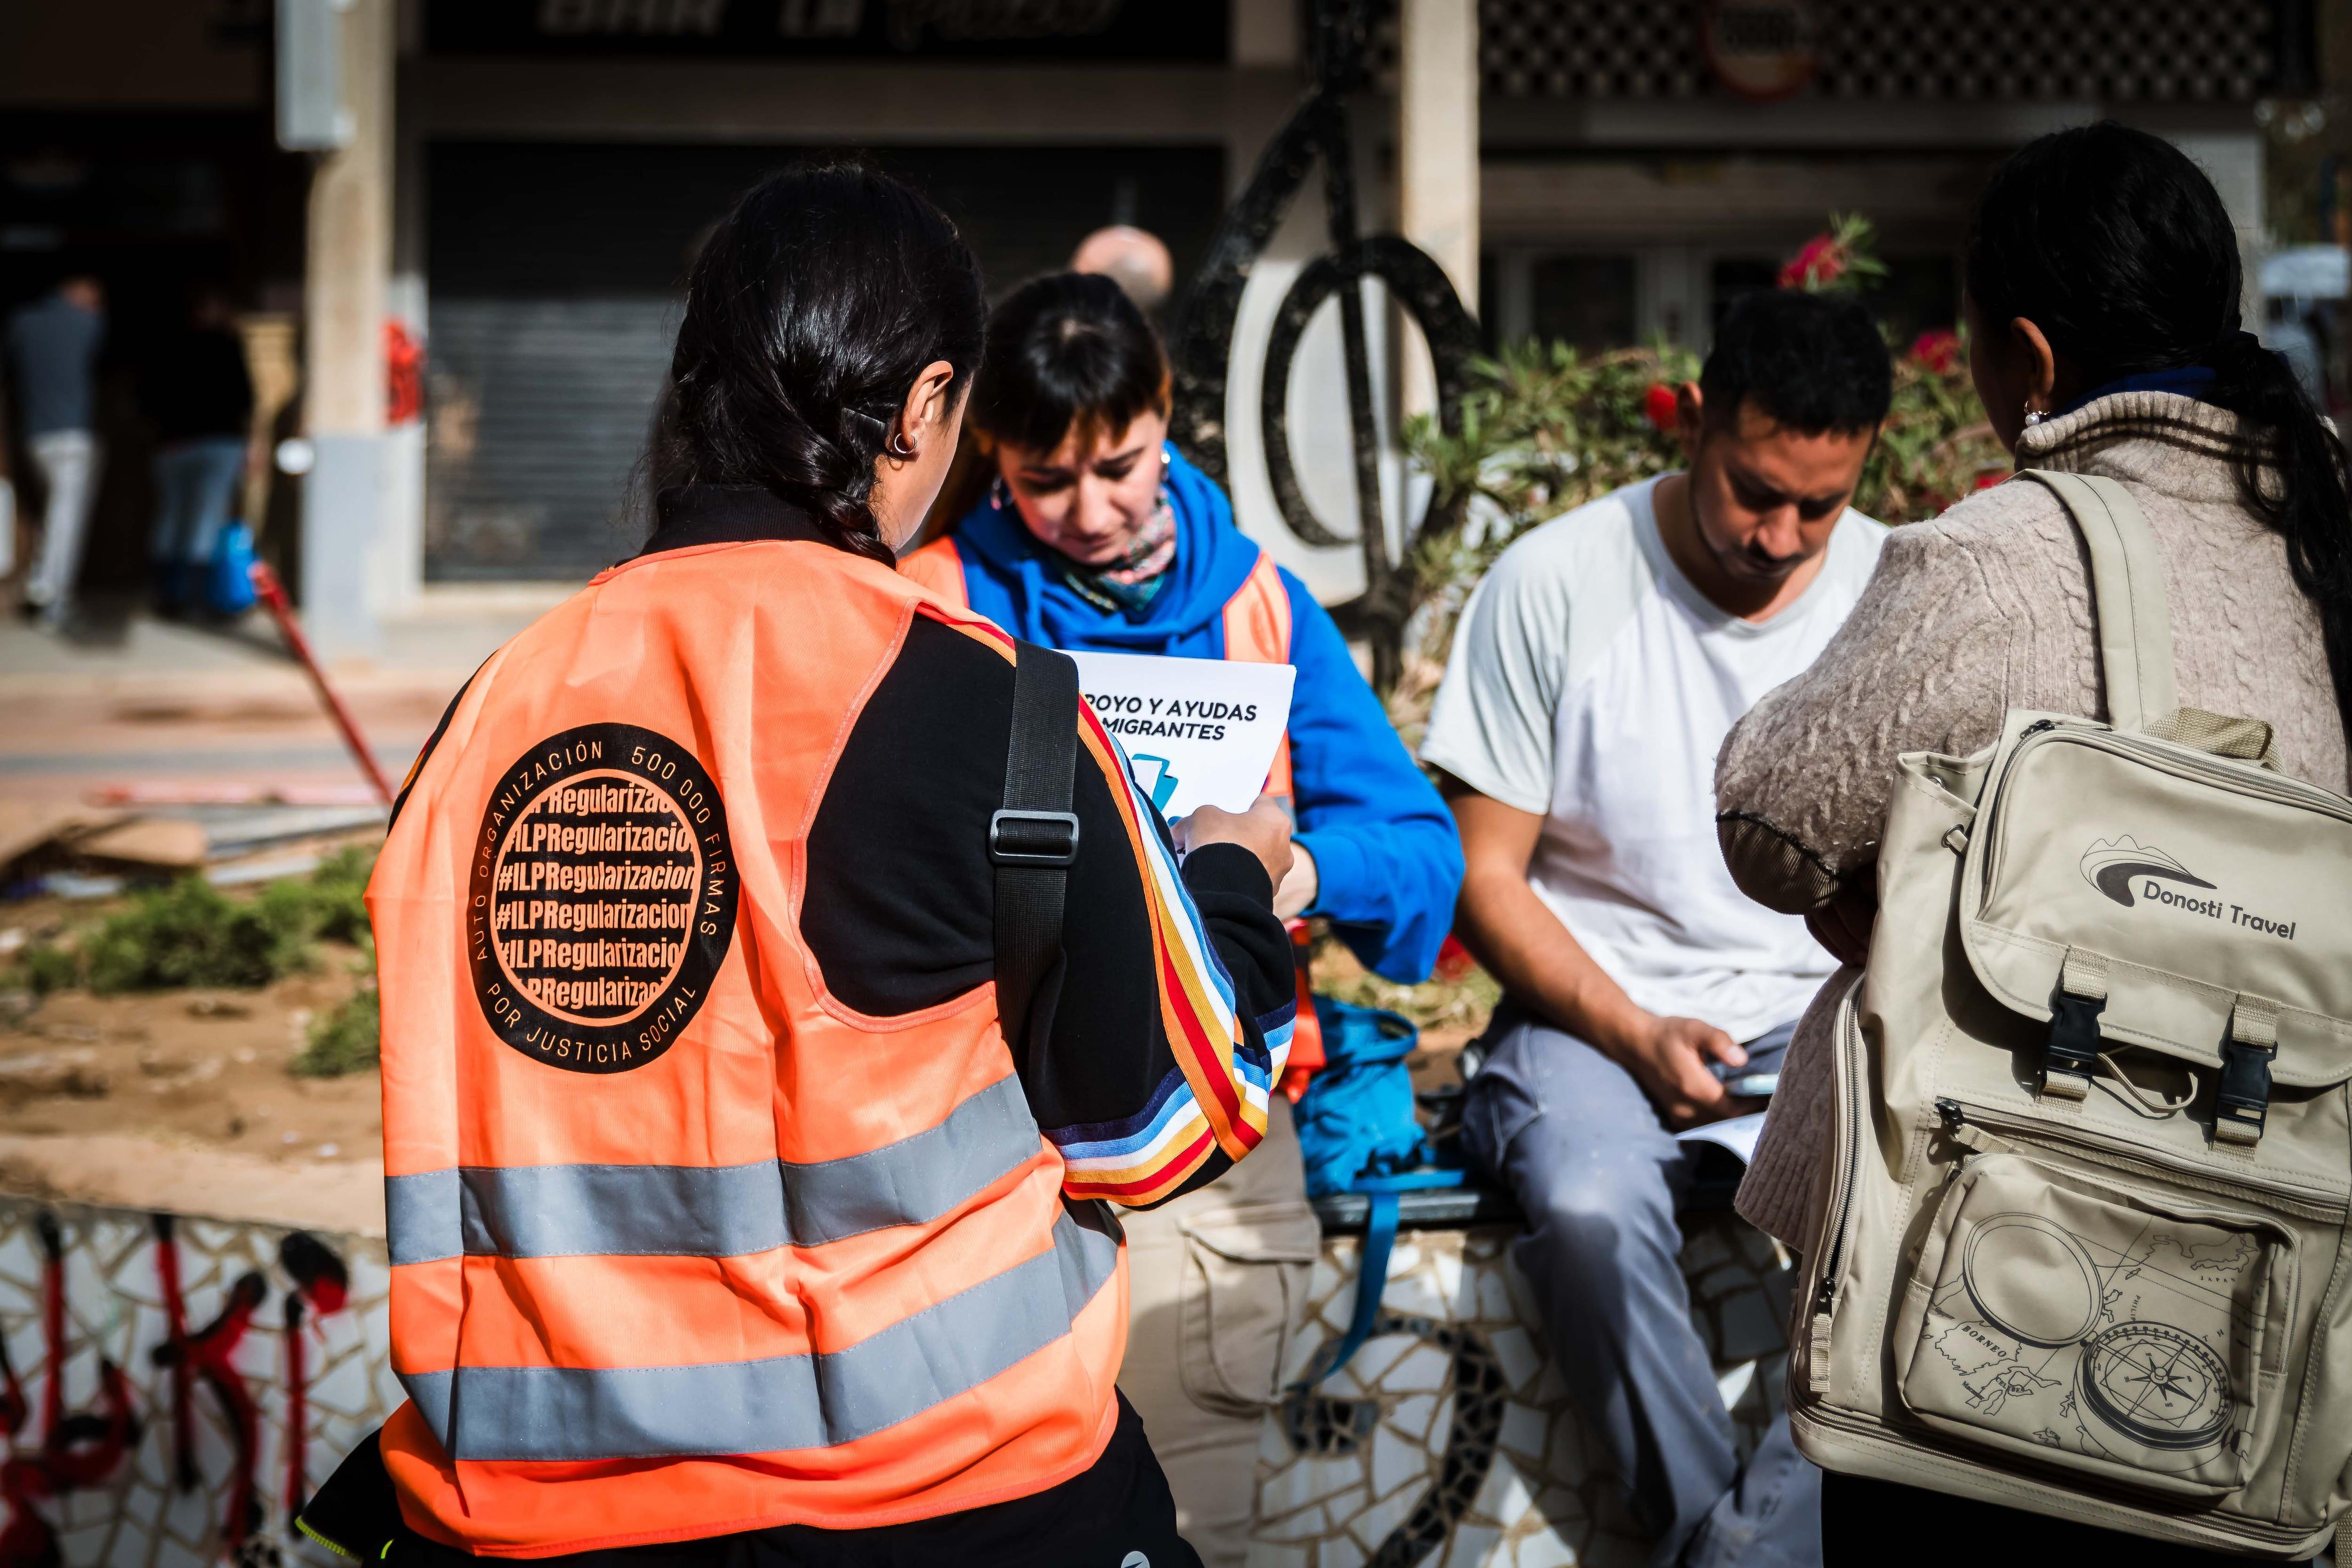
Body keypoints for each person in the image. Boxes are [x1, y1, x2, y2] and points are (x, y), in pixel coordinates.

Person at [294, 164, 1300, 1568]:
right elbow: (1154, 1134)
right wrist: (1238, 884)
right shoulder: (998, 712)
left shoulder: (489, 712)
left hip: (539, 1518)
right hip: (955, 1499)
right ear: (922, 407)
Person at [1717, 123, 2352, 1568]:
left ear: (2024, 358)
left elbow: (1771, 822)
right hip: (2285, 1293)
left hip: (1995, 1289)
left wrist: (1917, 903)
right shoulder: (2325, 532)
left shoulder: (2002, 557)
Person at [900, 271, 1462, 1566]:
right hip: (985, 1139)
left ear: (1166, 418)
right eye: (1048, 480)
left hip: (1220, 1141)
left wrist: (1287, 869)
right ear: (991, 453)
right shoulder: (936, 597)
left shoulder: (1260, 604)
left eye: (1123, 465)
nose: (1092, 512)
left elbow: (1417, 844)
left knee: (1210, 1531)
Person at [1421, 287, 1894, 1568]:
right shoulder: (1557, 581)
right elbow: (1488, 874)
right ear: (1689, 426)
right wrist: (1631, 1027)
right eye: (1754, 489)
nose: (1782, 534)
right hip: (1591, 1003)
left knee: (1919, 1229)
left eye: (1821, 504)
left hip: (1823, 1015)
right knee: (1580, 1202)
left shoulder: (1896, 595)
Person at [138, 287, 254, 613]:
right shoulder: (228, 345)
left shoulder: (165, 347)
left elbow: (145, 400)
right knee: (204, 520)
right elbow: (246, 399)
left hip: (173, 444)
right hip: (216, 443)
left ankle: (170, 596)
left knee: (170, 518)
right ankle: (193, 598)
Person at [5, 274, 105, 626]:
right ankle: (51, 594)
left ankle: (41, 582)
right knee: (66, 517)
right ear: (82, 295)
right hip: (73, 434)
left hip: (35, 435)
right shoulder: (87, 324)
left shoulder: (22, 323)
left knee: (51, 512)